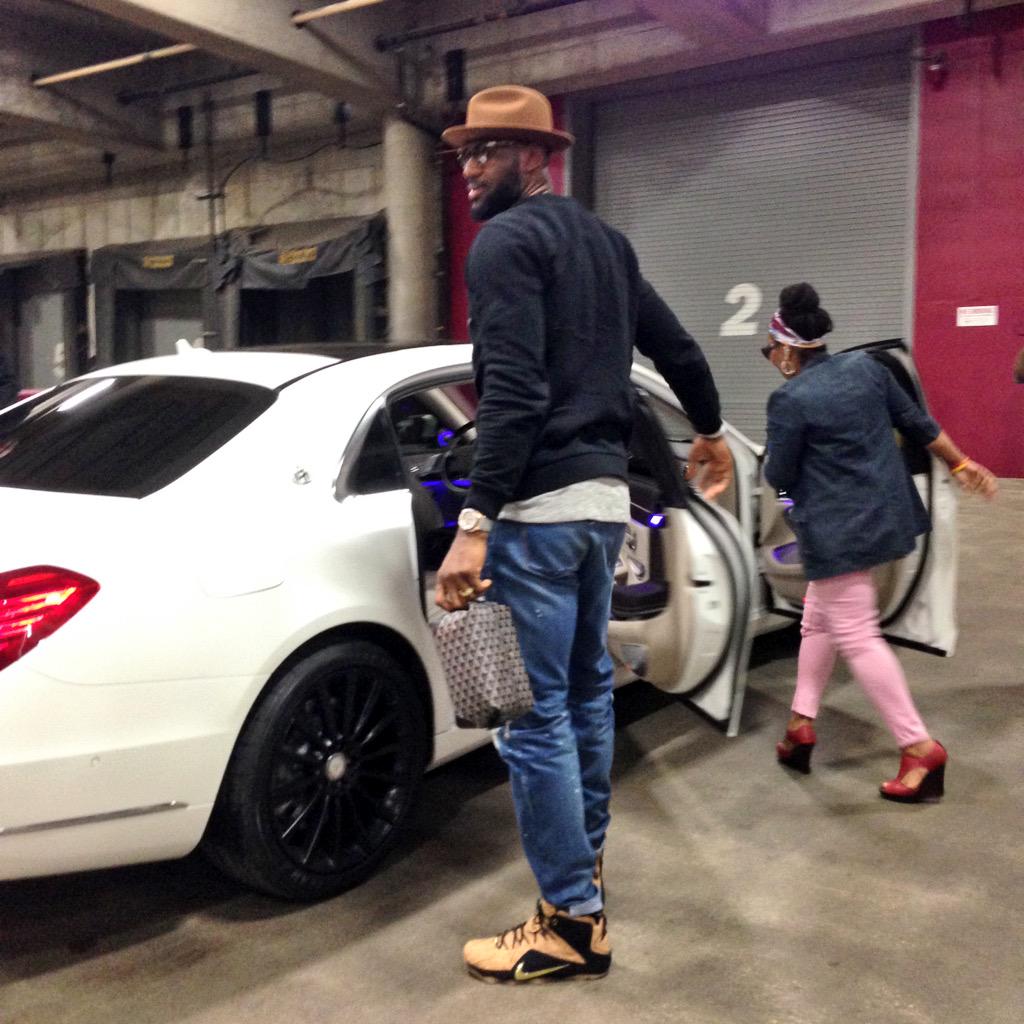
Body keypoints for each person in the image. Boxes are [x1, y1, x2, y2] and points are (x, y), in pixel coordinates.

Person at [435, 84, 732, 984]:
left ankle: (569, 921)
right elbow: (676, 349)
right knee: (586, 697)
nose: (471, 170)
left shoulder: (506, 244)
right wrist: (711, 428)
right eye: (465, 155)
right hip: (602, 510)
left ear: (536, 156)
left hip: (535, 516)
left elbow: (515, 395)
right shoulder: (607, 243)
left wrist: (474, 523)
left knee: (529, 723)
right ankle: (584, 878)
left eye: (487, 152)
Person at [763, 283, 997, 803]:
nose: (770, 359)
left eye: (769, 349)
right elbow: (917, 424)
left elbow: (777, 471)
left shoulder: (789, 398)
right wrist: (960, 464)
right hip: (886, 520)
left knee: (858, 635)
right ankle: (800, 725)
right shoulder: (868, 369)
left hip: (836, 532)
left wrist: (785, 494)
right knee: (818, 618)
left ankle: (918, 747)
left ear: (786, 350)